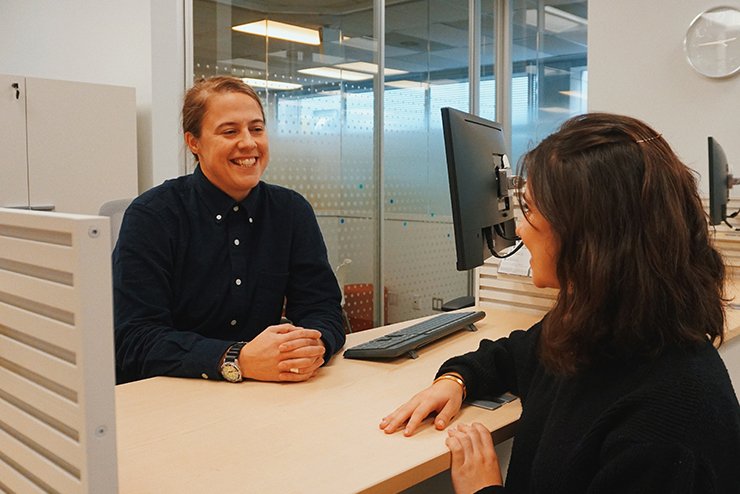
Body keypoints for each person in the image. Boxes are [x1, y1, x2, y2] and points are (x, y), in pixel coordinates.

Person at [379, 113, 740, 493]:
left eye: (531, 211)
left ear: (591, 238)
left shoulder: (666, 424)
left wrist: (482, 490)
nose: (519, 228)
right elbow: (516, 354)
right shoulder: (604, 330)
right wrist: (458, 380)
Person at [114, 76, 345, 384]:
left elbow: (323, 308)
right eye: (230, 131)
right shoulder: (152, 217)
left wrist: (314, 344)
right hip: (173, 396)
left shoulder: (290, 211)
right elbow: (135, 340)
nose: (249, 143)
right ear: (193, 142)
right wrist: (235, 358)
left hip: (263, 392)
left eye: (257, 128)